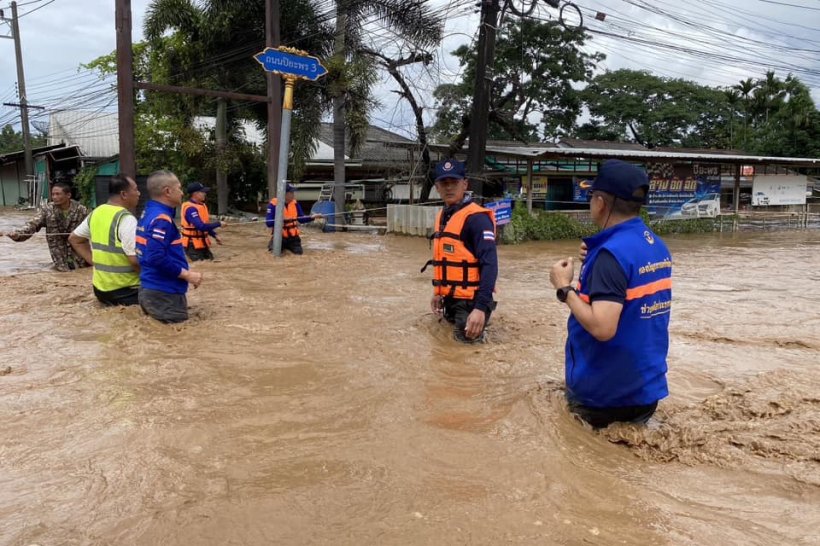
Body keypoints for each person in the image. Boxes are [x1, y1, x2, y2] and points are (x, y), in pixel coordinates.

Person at [549, 159, 672, 429]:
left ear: (601, 202)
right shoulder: (655, 245)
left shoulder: (610, 255)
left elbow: (603, 327)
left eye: (591, 195)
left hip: (603, 396)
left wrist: (563, 288)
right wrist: (595, 256)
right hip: (644, 390)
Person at [422, 159, 498, 343]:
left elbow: (490, 265)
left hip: (471, 303)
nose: (449, 188)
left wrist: (479, 309)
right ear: (437, 187)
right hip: (450, 299)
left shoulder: (477, 219)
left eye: (454, 182)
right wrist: (438, 292)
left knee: (466, 357)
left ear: (465, 184)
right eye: (444, 183)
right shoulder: (444, 216)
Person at [135, 170, 203, 323]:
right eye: (179, 188)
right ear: (167, 191)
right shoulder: (161, 219)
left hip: (149, 289)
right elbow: (155, 257)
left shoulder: (148, 212)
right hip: (164, 294)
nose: (181, 192)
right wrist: (187, 275)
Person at [68, 174, 142, 306]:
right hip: (128, 291)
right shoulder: (126, 219)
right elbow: (134, 261)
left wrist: (95, 262)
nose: (139, 193)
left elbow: (75, 239)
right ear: (124, 194)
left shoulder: (96, 212)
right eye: (136, 190)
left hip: (101, 290)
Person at [0, 182, 89, 272]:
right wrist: (18, 234)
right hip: (59, 256)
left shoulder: (81, 210)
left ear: (68, 195)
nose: (54, 197)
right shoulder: (47, 210)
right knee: (62, 275)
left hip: (80, 253)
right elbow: (32, 225)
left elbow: (92, 229)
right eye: (53, 194)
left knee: (84, 271)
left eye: (58, 194)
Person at [265, 184, 320, 255]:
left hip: (293, 238)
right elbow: (268, 223)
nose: (293, 195)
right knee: (273, 253)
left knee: (299, 254)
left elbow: (301, 219)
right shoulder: (273, 205)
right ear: (284, 194)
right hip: (280, 237)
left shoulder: (295, 204)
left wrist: (312, 217)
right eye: (291, 193)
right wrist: (280, 220)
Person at [180, 182, 222, 261]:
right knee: (201, 264)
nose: (205, 194)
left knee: (210, 261)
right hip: (192, 244)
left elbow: (205, 225)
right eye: (203, 192)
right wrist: (218, 224)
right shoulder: (190, 209)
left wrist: (214, 235)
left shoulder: (201, 205)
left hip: (202, 243)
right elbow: (201, 227)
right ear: (195, 194)